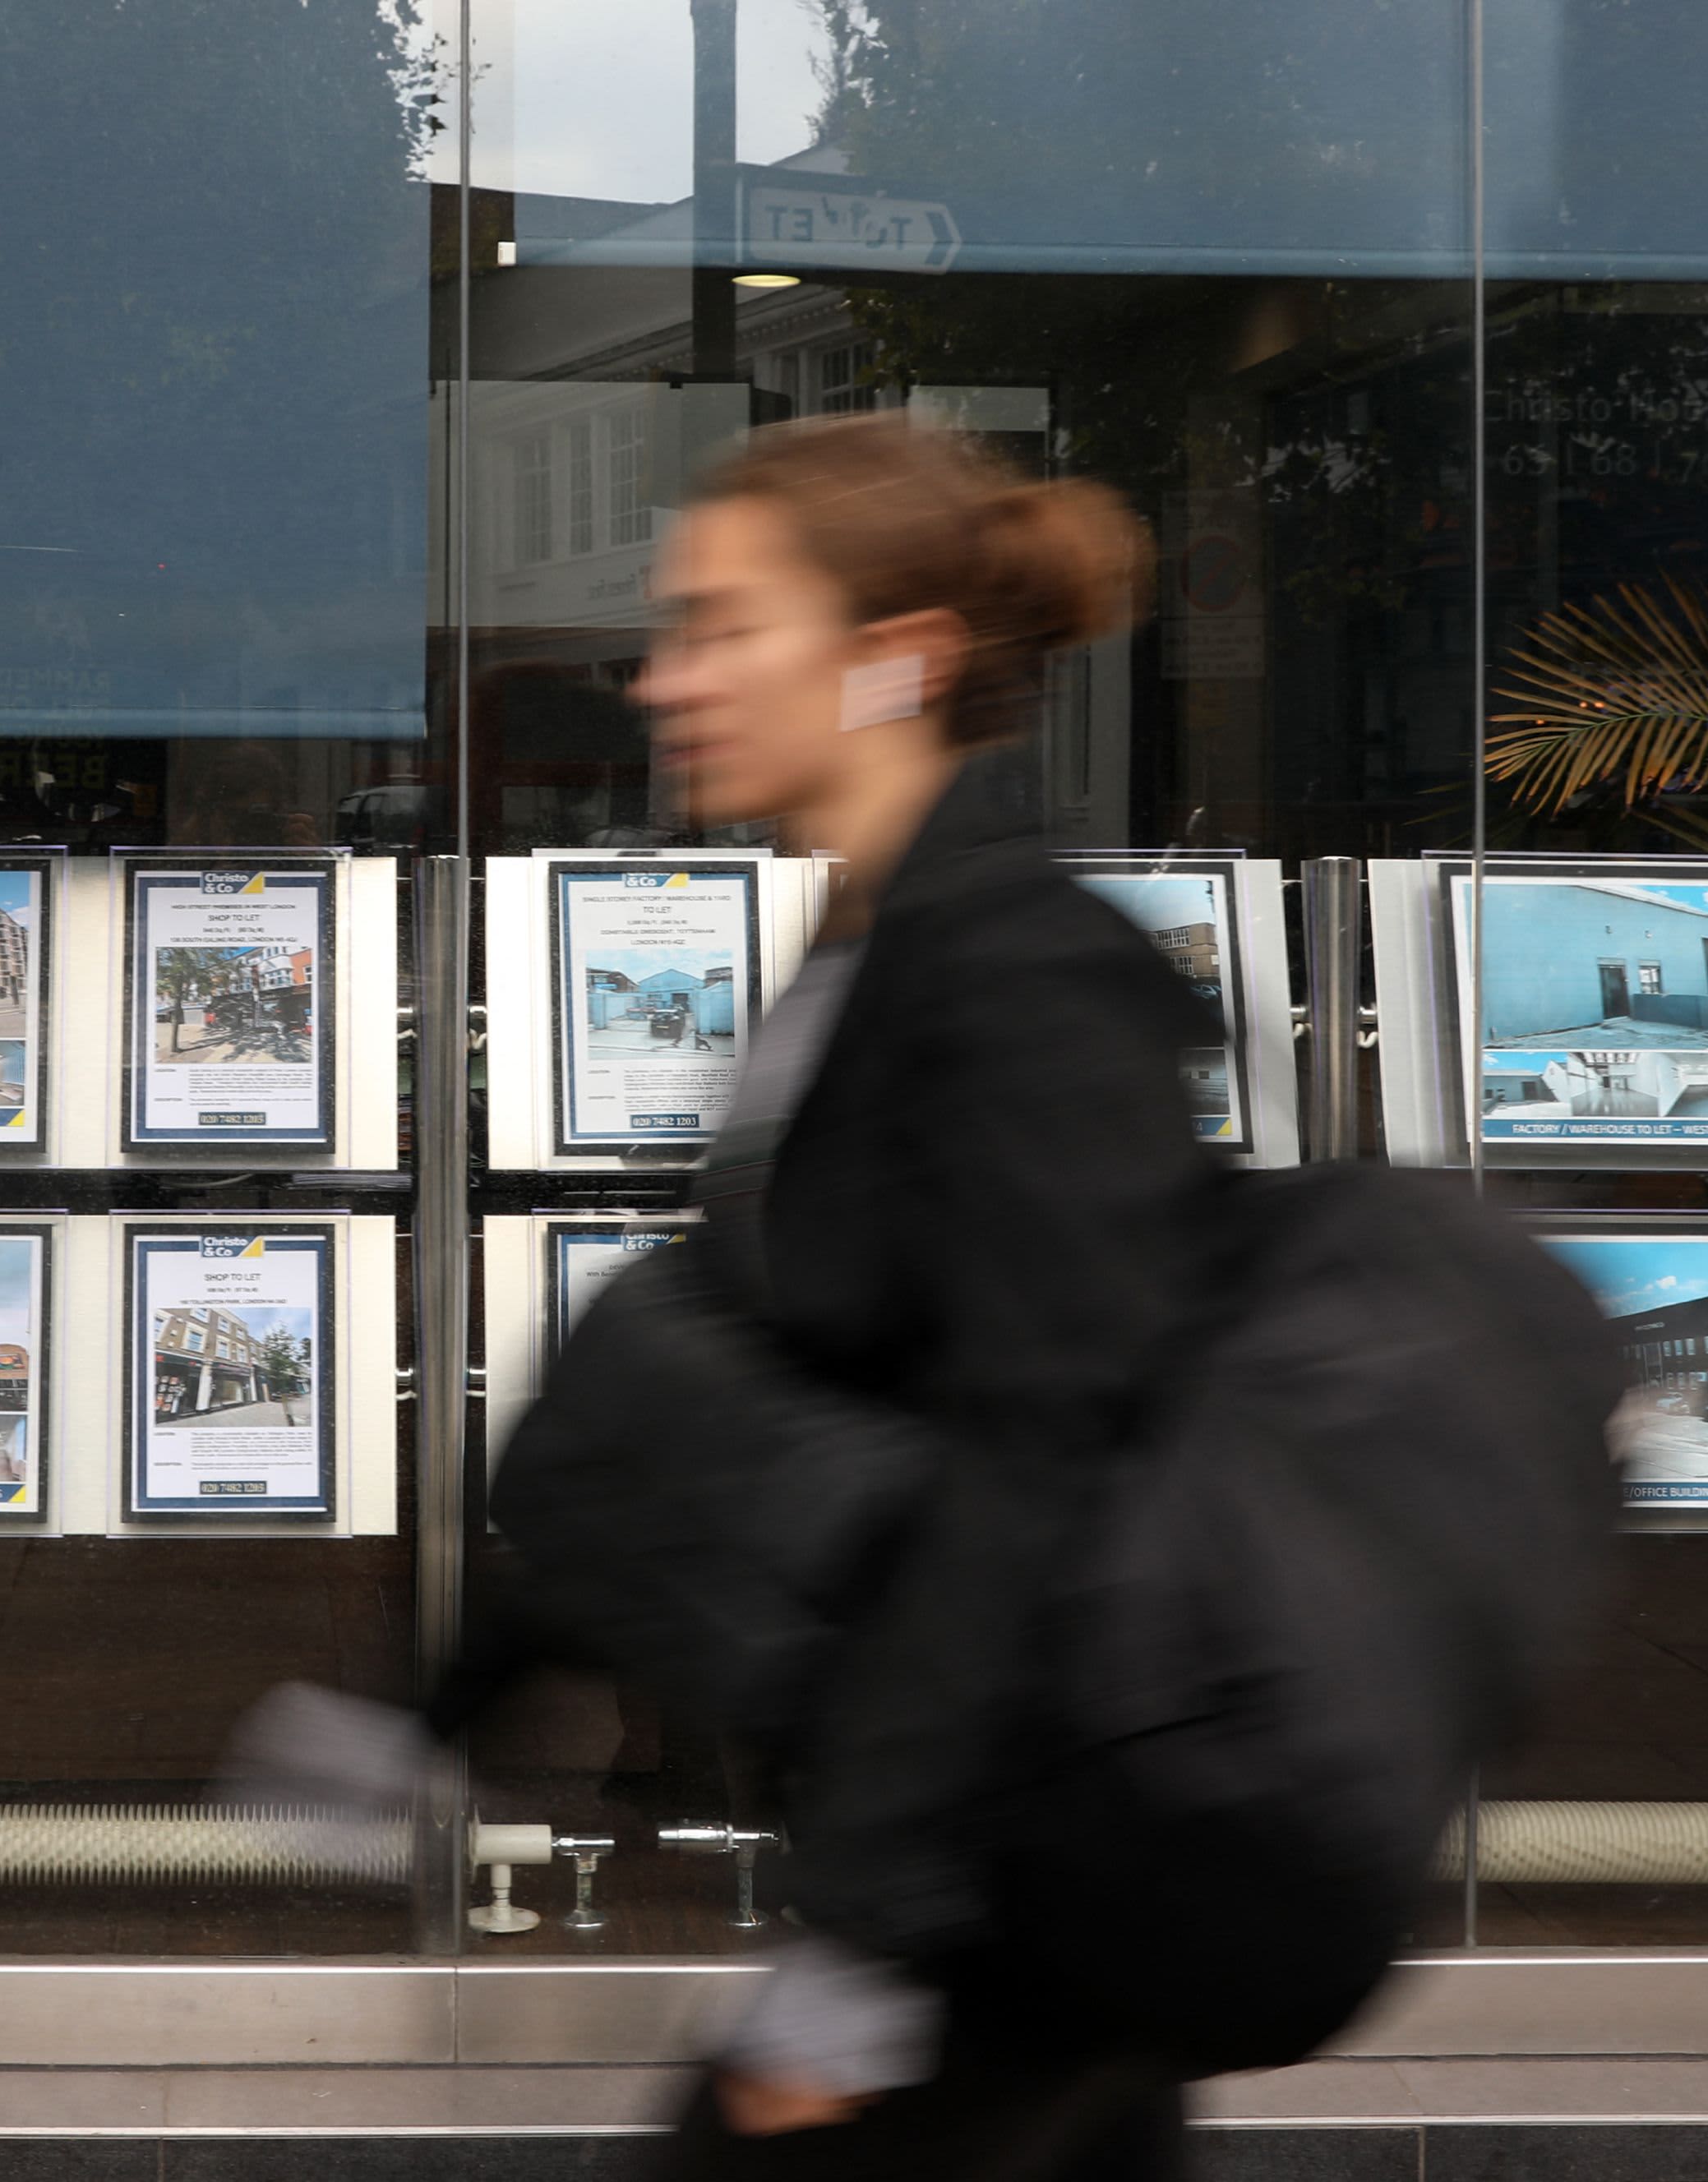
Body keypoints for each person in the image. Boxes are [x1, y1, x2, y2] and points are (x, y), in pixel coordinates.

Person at [230, 414, 1203, 2179]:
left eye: (721, 624)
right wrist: (435, 1715)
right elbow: (709, 1395)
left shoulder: (1032, 982)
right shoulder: (867, 944)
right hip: (935, 1890)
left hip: (994, 1902)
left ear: (885, 664)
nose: (662, 677)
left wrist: (864, 1946)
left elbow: (1039, 1480)